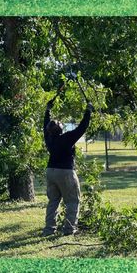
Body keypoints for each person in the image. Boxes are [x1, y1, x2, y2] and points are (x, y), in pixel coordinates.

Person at [41, 85, 91, 236]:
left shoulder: (48, 138)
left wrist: (48, 110)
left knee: (53, 201)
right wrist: (88, 111)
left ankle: (49, 229)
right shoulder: (67, 138)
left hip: (51, 171)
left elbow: (45, 124)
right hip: (66, 172)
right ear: (61, 129)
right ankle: (69, 229)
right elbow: (82, 127)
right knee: (72, 201)